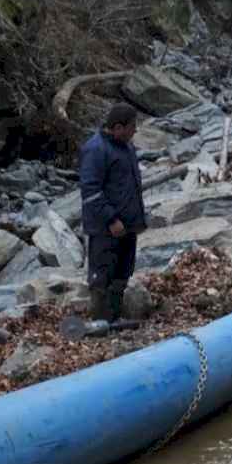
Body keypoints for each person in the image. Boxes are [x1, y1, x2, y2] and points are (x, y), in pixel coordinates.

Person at [79, 103, 147, 322]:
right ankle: (99, 322)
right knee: (102, 277)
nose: (135, 131)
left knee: (122, 273)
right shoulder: (96, 149)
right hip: (106, 228)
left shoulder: (125, 145)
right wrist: (111, 219)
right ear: (118, 127)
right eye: (132, 127)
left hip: (128, 225)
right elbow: (90, 190)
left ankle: (114, 319)